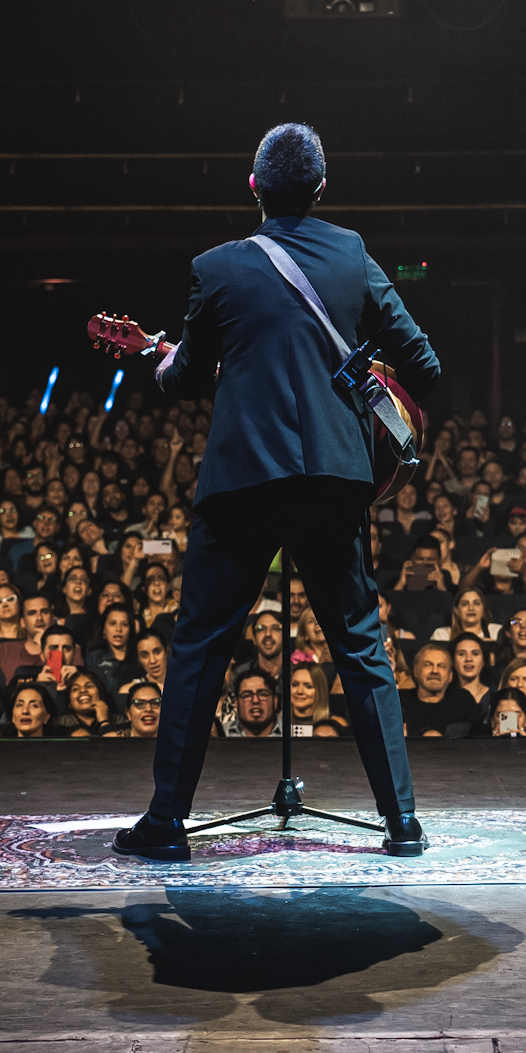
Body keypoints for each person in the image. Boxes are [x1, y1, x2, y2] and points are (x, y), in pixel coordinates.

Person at [113, 125, 440, 863]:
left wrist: (157, 360)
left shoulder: (217, 267)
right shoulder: (354, 254)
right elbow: (425, 361)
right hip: (333, 478)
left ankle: (166, 823)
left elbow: (187, 377)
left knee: (200, 648)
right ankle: (403, 824)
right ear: (322, 189)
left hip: (243, 481)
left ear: (252, 186)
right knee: (360, 646)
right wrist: (361, 372)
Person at [400, 641, 477, 737]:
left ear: (450, 675)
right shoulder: (399, 701)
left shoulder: (463, 701)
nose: (435, 671)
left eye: (441, 666)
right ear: (416, 670)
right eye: (428, 664)